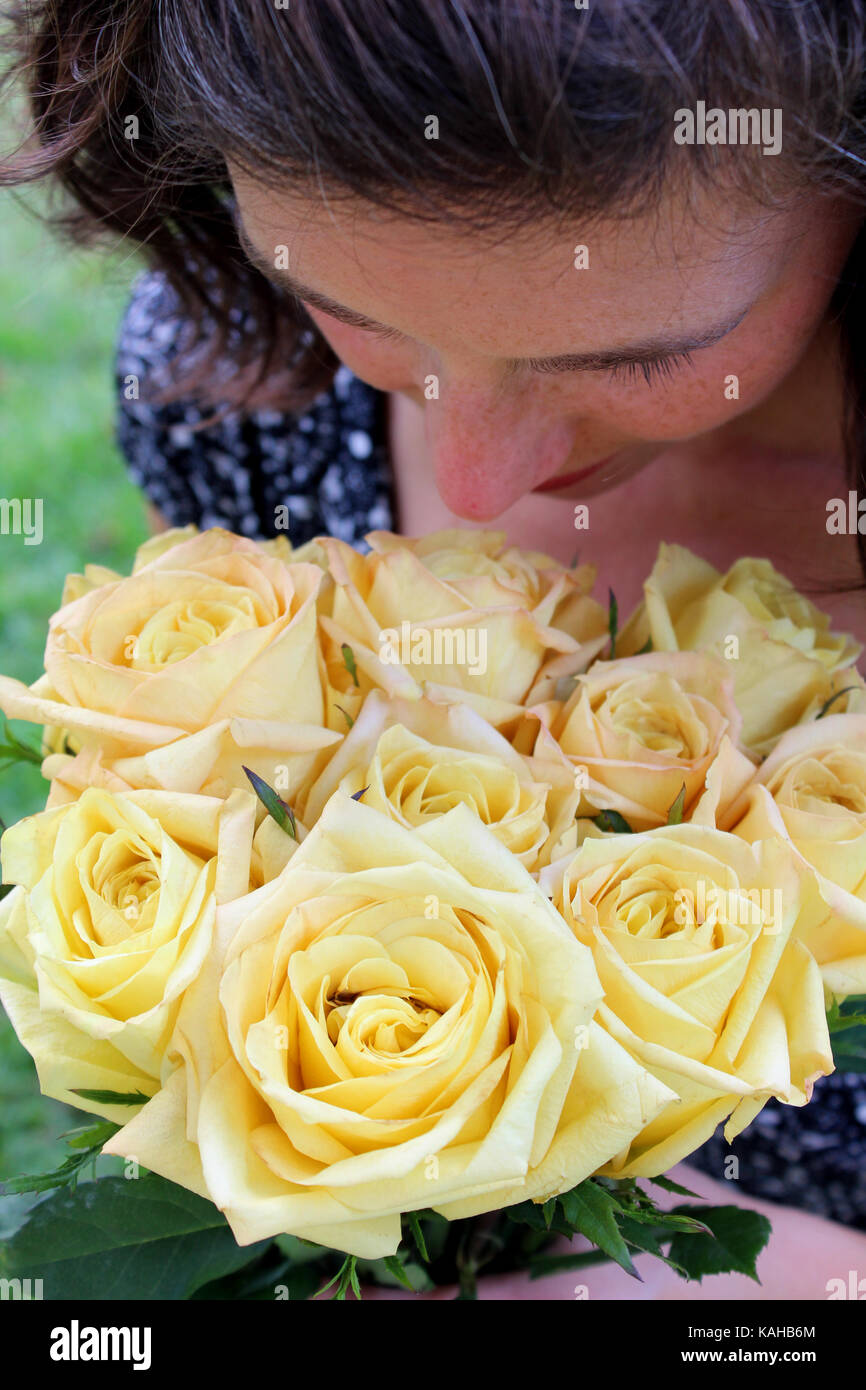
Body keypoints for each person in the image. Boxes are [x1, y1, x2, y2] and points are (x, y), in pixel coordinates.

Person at [4, 0, 866, 1298]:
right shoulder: (241, 388)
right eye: (351, 305)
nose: (472, 484)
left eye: (636, 353)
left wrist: (766, 1292)